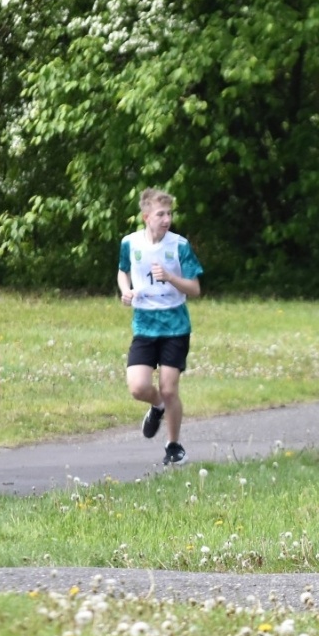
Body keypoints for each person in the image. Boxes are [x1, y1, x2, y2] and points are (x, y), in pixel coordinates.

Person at [117, 188, 203, 466]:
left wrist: (170, 277)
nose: (167, 219)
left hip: (175, 325)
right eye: (161, 214)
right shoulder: (130, 243)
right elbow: (122, 271)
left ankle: (174, 446)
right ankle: (157, 407)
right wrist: (126, 291)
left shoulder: (179, 245)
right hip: (144, 323)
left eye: (170, 213)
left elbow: (195, 288)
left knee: (169, 387)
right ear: (146, 217)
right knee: (138, 387)